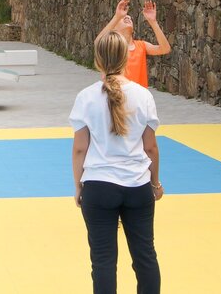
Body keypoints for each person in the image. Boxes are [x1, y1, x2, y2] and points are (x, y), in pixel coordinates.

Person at [71, 31, 163, 294]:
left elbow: (80, 149)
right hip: (137, 186)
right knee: (145, 256)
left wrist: (79, 186)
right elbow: (150, 147)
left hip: (99, 187)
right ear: (126, 57)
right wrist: (155, 183)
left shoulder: (86, 97)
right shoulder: (143, 95)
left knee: (102, 262)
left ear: (98, 60)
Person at [96, 0, 171, 88]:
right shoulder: (112, 46)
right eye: (122, 18)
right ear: (114, 28)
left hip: (138, 98)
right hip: (117, 97)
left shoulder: (141, 46)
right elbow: (98, 42)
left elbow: (165, 49)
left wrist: (153, 22)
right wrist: (117, 16)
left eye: (129, 17)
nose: (128, 17)